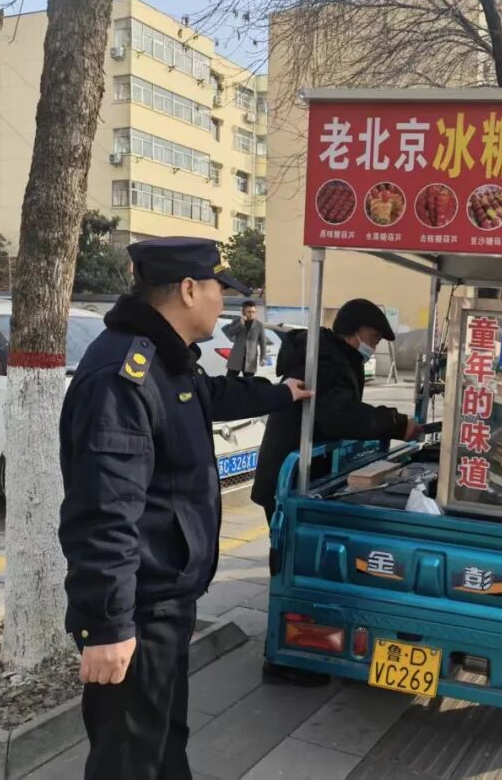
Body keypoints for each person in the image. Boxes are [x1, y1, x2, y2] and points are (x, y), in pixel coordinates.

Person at [58, 237, 311, 780]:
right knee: (131, 758)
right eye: (221, 289)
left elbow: (210, 397)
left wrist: (280, 393)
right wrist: (108, 626)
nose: (226, 302)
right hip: (139, 610)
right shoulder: (123, 376)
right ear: (190, 290)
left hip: (166, 600)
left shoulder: (168, 362)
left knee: (164, 742)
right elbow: (104, 512)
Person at [250, 298, 420, 683]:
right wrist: (395, 423)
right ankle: (280, 660)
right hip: (290, 480)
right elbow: (338, 415)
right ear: (353, 331)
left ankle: (296, 649)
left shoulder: (333, 356)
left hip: (305, 477)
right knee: (291, 568)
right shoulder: (324, 361)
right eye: (372, 338)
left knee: (299, 565)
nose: (373, 346)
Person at [223, 299, 267, 378]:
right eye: (249, 312)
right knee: (229, 380)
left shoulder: (259, 325)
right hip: (236, 357)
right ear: (243, 312)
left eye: (253, 312)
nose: (251, 314)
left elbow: (263, 343)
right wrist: (240, 323)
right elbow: (230, 333)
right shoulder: (236, 321)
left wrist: (263, 358)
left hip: (250, 359)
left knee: (248, 382)